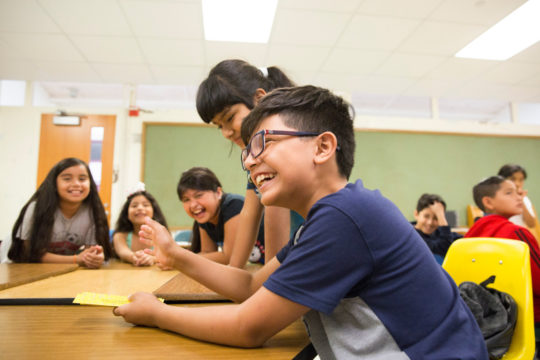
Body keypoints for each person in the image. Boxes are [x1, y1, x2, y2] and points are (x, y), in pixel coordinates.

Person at [114, 86, 487, 358]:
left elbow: (250, 327)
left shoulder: (345, 217)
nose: (248, 161)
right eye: (247, 151)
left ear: (323, 147)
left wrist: (157, 313)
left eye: (264, 143)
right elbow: (249, 285)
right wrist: (175, 256)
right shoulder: (326, 218)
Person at [196, 59, 302, 267]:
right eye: (219, 126)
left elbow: (275, 263)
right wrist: (233, 272)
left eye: (230, 118)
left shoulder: (279, 152)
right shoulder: (258, 157)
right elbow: (249, 214)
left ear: (259, 99)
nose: (226, 132)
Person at [8, 157, 112, 268]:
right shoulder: (36, 208)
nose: (76, 184)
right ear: (54, 184)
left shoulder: (93, 213)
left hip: (62, 270)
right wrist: (76, 259)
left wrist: (93, 258)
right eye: (67, 179)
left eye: (82, 179)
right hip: (23, 268)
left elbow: (88, 254)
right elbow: (29, 253)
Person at [464, 176, 540, 323]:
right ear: (488, 202)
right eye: (509, 193)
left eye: (518, 193)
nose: (518, 197)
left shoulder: (469, 237)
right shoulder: (516, 233)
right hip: (525, 314)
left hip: (486, 317)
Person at [177, 167, 264, 264]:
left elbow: (229, 257)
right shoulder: (205, 216)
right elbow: (208, 252)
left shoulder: (233, 206)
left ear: (218, 193)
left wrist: (182, 259)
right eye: (186, 200)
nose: (193, 205)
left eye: (199, 195)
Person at [113, 186, 168, 266]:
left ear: (154, 212)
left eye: (145, 205)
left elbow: (167, 254)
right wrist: (133, 257)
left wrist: (153, 259)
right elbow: (123, 252)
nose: (140, 208)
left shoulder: (161, 235)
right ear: (126, 213)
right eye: (134, 206)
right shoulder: (120, 236)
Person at [412, 193, 462, 263]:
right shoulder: (411, 236)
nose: (430, 222)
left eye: (436, 218)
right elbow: (444, 247)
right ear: (416, 214)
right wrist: (440, 215)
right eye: (426, 216)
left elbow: (462, 241)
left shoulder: (437, 232)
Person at [498, 164, 540, 236]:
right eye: (512, 179)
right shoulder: (497, 197)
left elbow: (531, 224)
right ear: (502, 180)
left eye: (521, 180)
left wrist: (521, 200)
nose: (517, 183)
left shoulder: (525, 199)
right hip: (501, 236)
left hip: (517, 237)